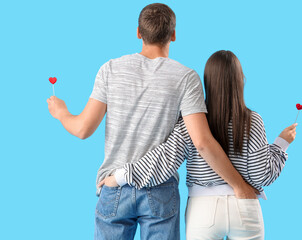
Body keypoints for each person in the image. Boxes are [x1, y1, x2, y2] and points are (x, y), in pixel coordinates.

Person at [47, 4, 257, 240]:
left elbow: (83, 129)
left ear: (138, 33)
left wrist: (61, 112)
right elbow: (201, 142)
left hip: (114, 185)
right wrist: (239, 185)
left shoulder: (110, 70)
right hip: (160, 190)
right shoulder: (186, 78)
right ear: (174, 35)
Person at [108, 50, 297, 239]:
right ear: (241, 79)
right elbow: (262, 175)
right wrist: (281, 144)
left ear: (207, 83)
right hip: (245, 207)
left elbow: (165, 160)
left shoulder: (193, 122)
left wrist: (121, 176)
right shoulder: (253, 121)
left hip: (203, 210)